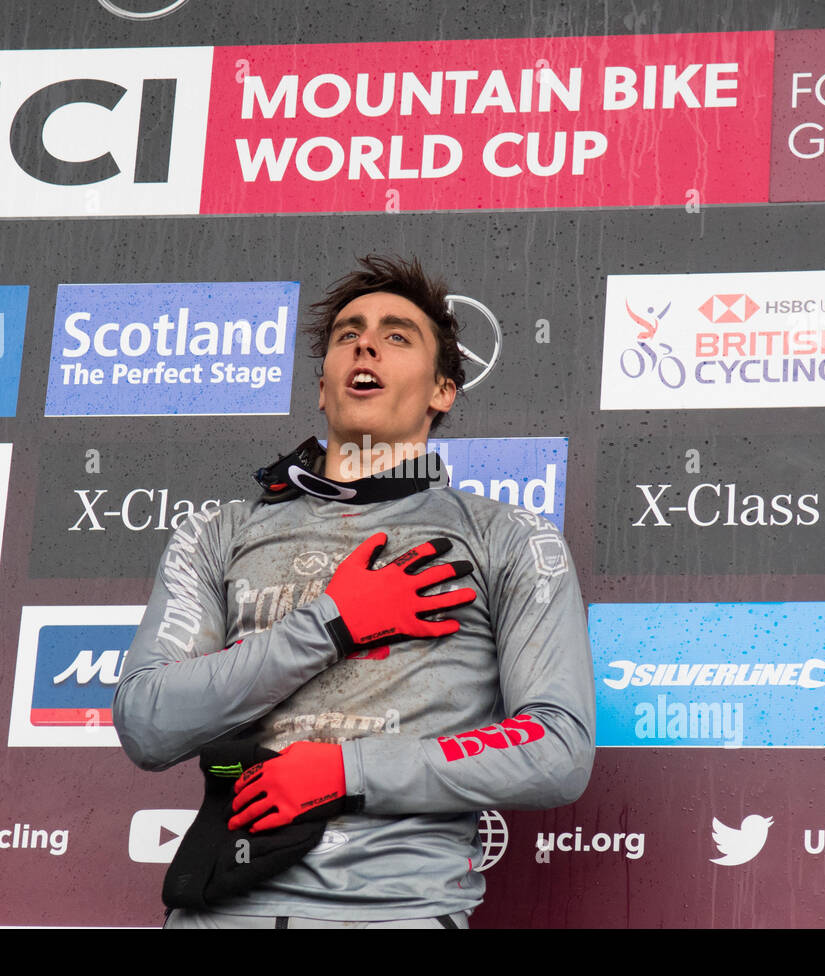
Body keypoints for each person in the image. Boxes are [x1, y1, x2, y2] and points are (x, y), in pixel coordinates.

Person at [114, 255, 594, 928]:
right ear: (321, 387)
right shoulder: (217, 533)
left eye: (397, 335)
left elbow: (555, 749)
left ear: (443, 391)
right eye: (348, 334)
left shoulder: (509, 539)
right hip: (219, 913)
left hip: (398, 914)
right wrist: (333, 624)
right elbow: (146, 721)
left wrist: (347, 771)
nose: (365, 343)